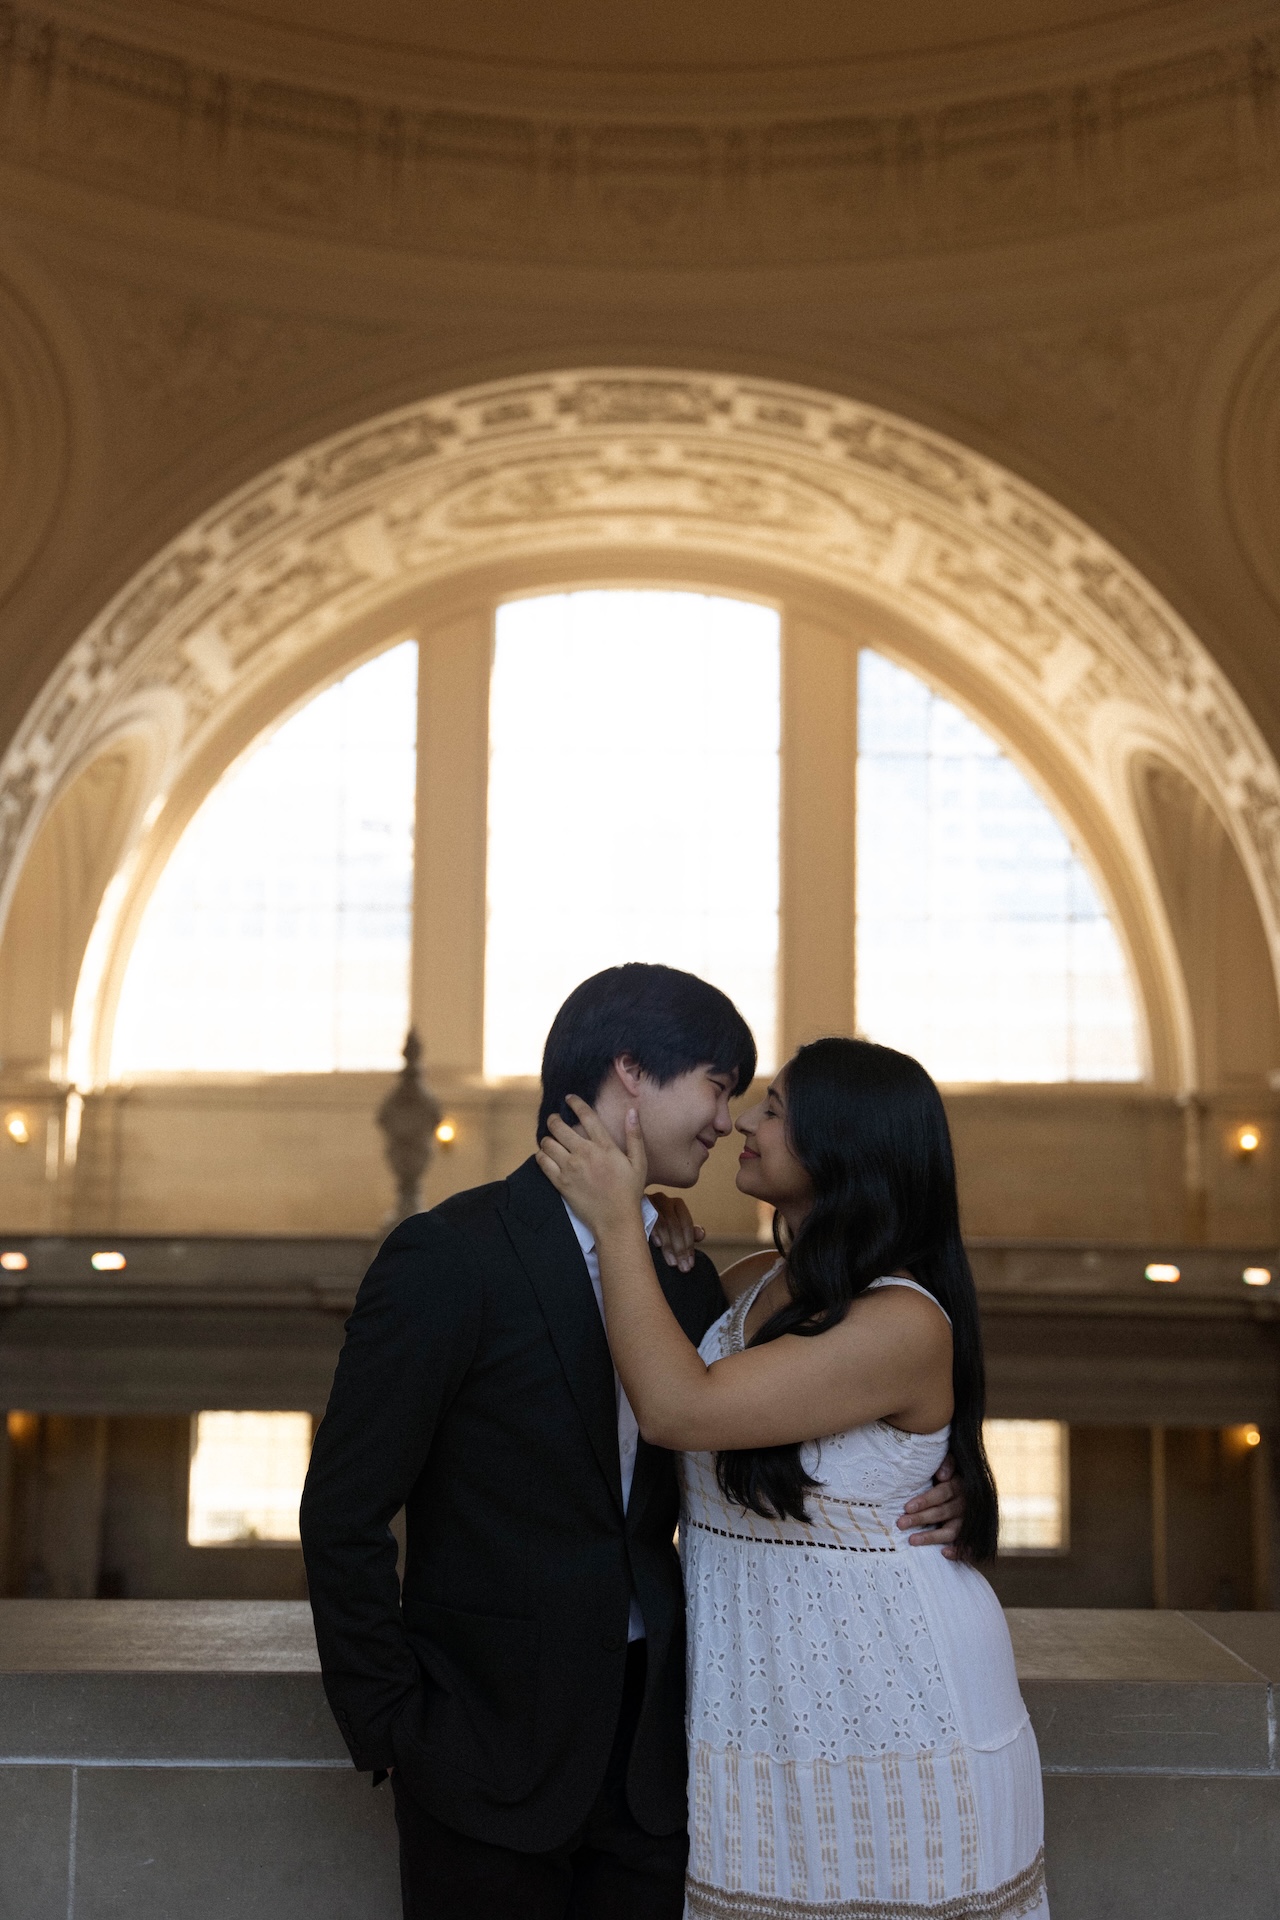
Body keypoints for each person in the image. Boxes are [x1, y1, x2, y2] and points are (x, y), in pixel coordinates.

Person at [300, 969, 967, 1920]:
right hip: (480, 1747)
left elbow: (852, 1387)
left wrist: (954, 1472)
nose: (727, 1118)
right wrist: (395, 1728)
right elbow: (344, 1509)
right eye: (716, 1083)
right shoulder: (451, 1255)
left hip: (660, 1757)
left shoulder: (686, 1277)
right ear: (630, 1074)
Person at [538, 1034, 1047, 1920]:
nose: (743, 1123)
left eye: (773, 1109)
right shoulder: (754, 1281)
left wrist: (619, 1220)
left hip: (888, 1693)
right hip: (760, 1697)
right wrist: (658, 1247)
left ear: (842, 1146)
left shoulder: (903, 1320)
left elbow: (679, 1410)